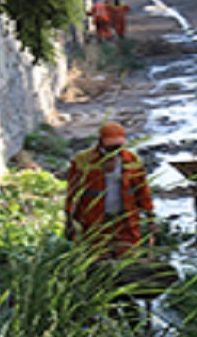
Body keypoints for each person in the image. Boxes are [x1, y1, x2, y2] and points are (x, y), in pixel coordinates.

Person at [65, 122, 175, 307]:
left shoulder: (131, 160)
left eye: (118, 145)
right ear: (100, 141)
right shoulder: (83, 161)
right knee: (99, 264)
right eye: (111, 145)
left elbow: (142, 192)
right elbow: (73, 193)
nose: (114, 149)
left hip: (126, 221)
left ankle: (127, 303)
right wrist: (69, 220)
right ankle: (104, 304)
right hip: (95, 222)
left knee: (128, 263)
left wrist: (150, 217)